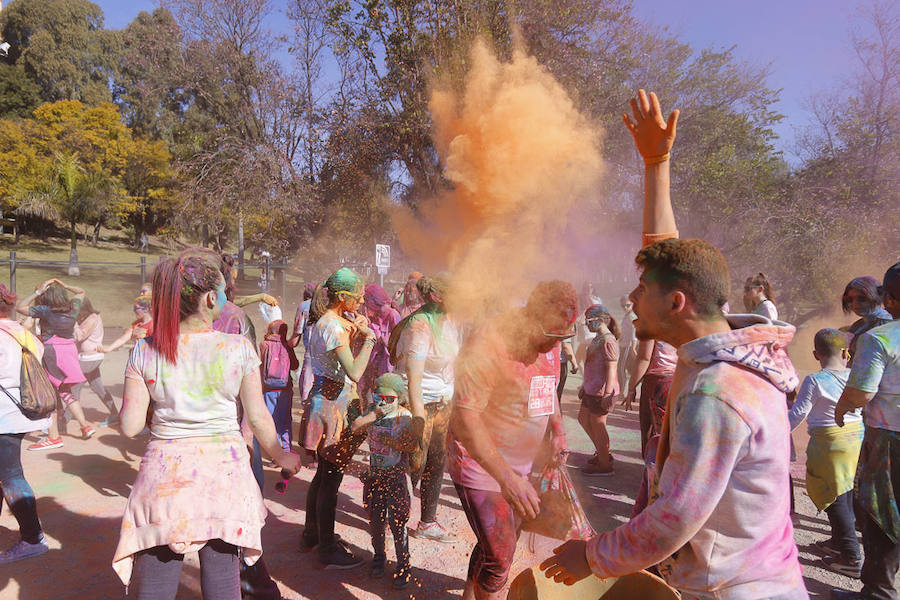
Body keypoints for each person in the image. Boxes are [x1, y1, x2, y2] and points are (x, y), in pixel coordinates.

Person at [541, 89, 807, 599]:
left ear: (677, 303)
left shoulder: (719, 393)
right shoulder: (730, 347)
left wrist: (591, 557)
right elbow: (667, 258)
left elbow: (677, 516)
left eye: (642, 291)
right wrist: (656, 164)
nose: (633, 299)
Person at [111, 250, 301, 598]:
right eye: (225, 291)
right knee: (223, 583)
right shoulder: (237, 349)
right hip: (222, 481)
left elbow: (129, 425)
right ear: (212, 298)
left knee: (155, 586)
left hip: (163, 483)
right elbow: (258, 418)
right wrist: (282, 458)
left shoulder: (144, 351)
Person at [449, 280, 573, 600]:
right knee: (502, 554)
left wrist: (557, 431)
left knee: (494, 544)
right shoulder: (488, 342)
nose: (556, 344)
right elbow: (466, 418)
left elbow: (546, 387)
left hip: (520, 463)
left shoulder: (552, 338)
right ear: (533, 317)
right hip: (477, 461)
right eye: (553, 335)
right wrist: (506, 478)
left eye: (564, 336)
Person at [300, 267, 378, 569]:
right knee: (330, 480)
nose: (360, 303)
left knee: (322, 475)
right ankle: (326, 549)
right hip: (333, 405)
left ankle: (312, 535)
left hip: (326, 399)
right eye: (357, 298)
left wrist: (356, 327)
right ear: (343, 297)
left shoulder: (328, 321)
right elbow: (355, 372)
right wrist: (369, 339)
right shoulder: (333, 326)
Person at [833, 262, 900, 600]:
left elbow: (861, 391)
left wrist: (842, 407)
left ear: (887, 297)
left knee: (881, 514)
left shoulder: (879, 337)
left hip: (888, 439)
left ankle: (878, 593)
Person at [390, 273, 461, 543]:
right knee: (414, 465)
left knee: (436, 462)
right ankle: (394, 519)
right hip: (419, 402)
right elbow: (413, 375)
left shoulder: (449, 321)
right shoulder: (419, 325)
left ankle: (427, 522)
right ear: (435, 297)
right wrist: (419, 418)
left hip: (442, 402)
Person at [788, 328, 863, 578]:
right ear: (846, 353)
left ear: (815, 354)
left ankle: (851, 557)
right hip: (855, 440)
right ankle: (837, 543)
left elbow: (799, 413)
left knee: (835, 498)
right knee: (845, 490)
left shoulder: (815, 380)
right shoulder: (855, 376)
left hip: (829, 444)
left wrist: (776, 431)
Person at [0, 284, 51, 564]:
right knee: (5, 474)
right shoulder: (21, 331)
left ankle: (33, 539)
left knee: (11, 476)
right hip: (19, 412)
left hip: (4, 416)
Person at [351, 373, 416, 588]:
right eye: (379, 397)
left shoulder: (405, 416)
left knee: (398, 523)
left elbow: (413, 447)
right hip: (376, 477)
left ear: (399, 398)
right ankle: (379, 556)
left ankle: (403, 563)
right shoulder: (372, 413)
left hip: (396, 477)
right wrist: (373, 414)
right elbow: (354, 427)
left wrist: (395, 442)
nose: (384, 402)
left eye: (390, 399)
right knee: (376, 520)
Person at [16, 278, 96, 450]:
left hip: (53, 353)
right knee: (65, 391)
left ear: (47, 295)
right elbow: (81, 291)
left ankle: (53, 437)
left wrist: (38, 292)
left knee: (49, 395)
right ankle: (85, 426)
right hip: (69, 351)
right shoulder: (72, 309)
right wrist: (66, 286)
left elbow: (20, 307)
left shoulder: (45, 310)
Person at [577, 304, 620, 476]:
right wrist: (583, 386)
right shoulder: (597, 339)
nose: (586, 324)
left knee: (598, 426)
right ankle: (603, 454)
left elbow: (612, 368)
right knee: (583, 419)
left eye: (589, 320)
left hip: (601, 392)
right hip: (591, 389)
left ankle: (604, 465)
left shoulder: (608, 340)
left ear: (600, 321)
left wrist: (607, 394)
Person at [73, 297, 119, 427]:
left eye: (76, 309)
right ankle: (115, 414)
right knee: (97, 386)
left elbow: (79, 336)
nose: (74, 312)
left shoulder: (92, 318)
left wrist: (73, 322)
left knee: (73, 386)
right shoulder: (85, 318)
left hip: (91, 358)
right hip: (86, 358)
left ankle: (64, 422)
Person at [260, 320, 299, 453]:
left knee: (271, 421)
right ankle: (286, 449)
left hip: (268, 389)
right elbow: (295, 366)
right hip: (285, 390)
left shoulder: (264, 344)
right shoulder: (287, 346)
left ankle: (275, 452)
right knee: (285, 419)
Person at [357, 283, 401, 403]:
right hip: (373, 360)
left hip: (386, 362)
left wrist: (382, 338)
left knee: (383, 392)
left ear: (374, 300)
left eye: (366, 300)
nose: (364, 303)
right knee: (366, 391)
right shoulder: (373, 314)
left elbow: (399, 340)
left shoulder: (392, 314)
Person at [842, 276, 894, 362]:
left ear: (876, 296)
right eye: (849, 299)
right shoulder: (857, 326)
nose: (855, 304)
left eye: (861, 298)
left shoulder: (887, 324)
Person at [617, 296, 638, 394]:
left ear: (632, 304)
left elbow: (634, 333)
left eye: (627, 305)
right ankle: (626, 390)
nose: (625, 307)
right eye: (623, 306)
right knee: (627, 368)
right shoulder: (627, 315)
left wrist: (633, 348)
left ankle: (622, 391)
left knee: (621, 368)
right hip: (624, 344)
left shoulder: (631, 316)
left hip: (628, 346)